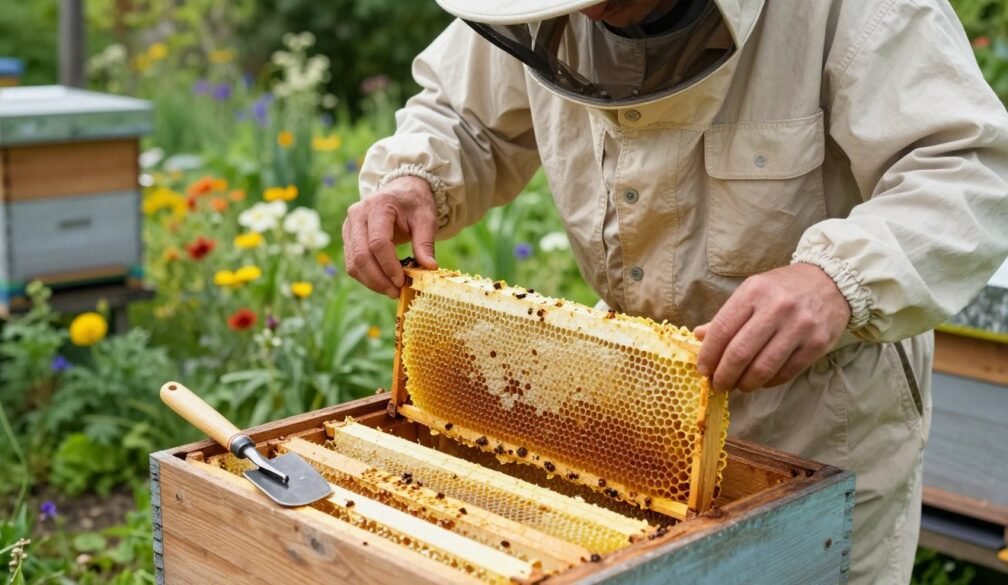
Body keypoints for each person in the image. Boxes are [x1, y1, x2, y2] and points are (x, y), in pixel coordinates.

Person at [342, 1, 1008, 582]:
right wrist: (416, 179)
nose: (587, 15)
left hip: (817, 413)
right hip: (631, 405)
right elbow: (464, 118)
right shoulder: (551, 10)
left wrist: (836, 279)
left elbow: (967, 169)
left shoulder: (853, 9)